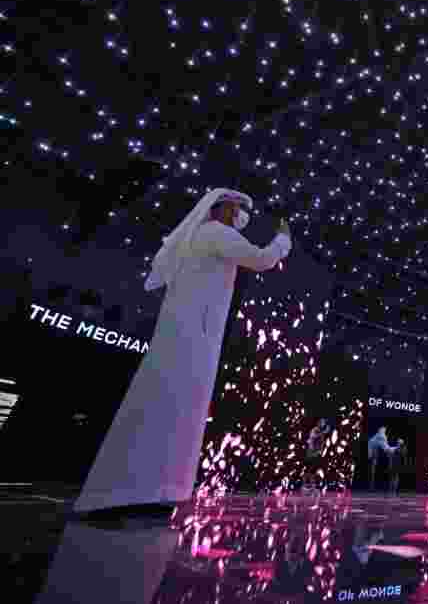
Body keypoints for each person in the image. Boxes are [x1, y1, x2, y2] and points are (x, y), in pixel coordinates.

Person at [73, 189, 292, 518]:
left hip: (187, 331)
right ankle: (142, 491)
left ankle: (148, 491)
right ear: (222, 210)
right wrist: (282, 241)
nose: (242, 216)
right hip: (193, 335)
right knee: (175, 407)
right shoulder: (215, 233)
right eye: (238, 209)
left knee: (169, 408)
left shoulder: (197, 237)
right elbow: (260, 259)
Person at [303, 418, 331, 495]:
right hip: (312, 454)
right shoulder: (315, 430)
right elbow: (313, 437)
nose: (322, 424)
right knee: (311, 470)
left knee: (317, 469)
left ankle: (317, 486)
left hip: (318, 454)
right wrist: (324, 432)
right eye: (321, 422)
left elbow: (321, 442)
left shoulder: (321, 432)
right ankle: (309, 486)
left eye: (324, 423)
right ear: (318, 423)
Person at [367, 426, 396, 491]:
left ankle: (372, 486)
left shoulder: (379, 436)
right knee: (372, 468)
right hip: (372, 450)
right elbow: (386, 448)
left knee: (373, 468)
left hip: (374, 449)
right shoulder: (381, 436)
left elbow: (386, 447)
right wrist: (395, 448)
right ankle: (371, 486)